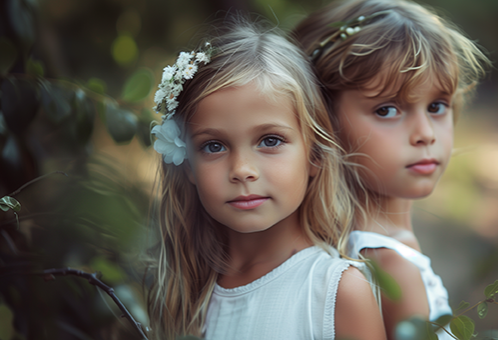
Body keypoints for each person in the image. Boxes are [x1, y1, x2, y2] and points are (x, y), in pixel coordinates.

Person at [145, 19, 384, 340]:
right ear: (187, 164)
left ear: (315, 154)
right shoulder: (182, 292)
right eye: (213, 146)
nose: (242, 169)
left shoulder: (338, 291)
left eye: (270, 140)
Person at [293, 0, 490, 337]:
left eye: (436, 106)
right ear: (323, 119)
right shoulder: (391, 266)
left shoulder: (346, 245)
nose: (425, 133)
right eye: (387, 110)